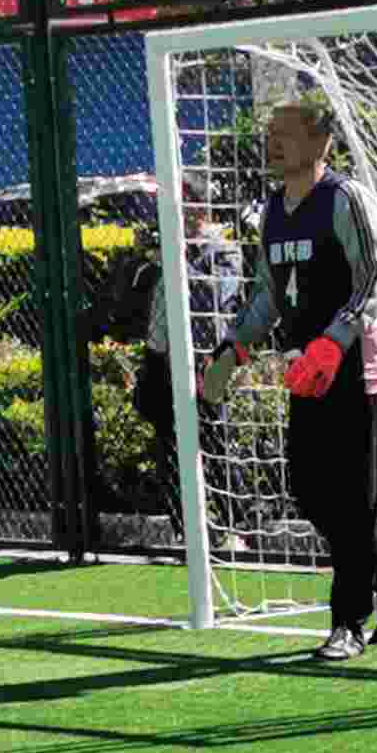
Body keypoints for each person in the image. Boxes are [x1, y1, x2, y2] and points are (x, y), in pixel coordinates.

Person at [205, 98, 377, 660]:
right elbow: (268, 295)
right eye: (269, 133)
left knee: (354, 501)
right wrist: (235, 345)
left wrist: (335, 340)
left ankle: (348, 623)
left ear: (320, 141)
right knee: (307, 489)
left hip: (356, 370)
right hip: (306, 375)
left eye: (284, 133)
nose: (273, 143)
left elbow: (375, 280)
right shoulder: (271, 212)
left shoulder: (346, 199)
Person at [78, 170, 244, 540]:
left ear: (200, 209)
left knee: (215, 445)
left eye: (183, 203)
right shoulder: (157, 248)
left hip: (203, 362)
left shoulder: (222, 251)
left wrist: (177, 260)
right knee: (168, 450)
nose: (172, 211)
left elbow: (211, 298)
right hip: (161, 360)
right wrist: (140, 261)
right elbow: (122, 306)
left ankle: (237, 525)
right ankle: (186, 529)